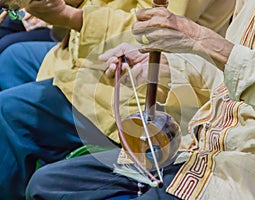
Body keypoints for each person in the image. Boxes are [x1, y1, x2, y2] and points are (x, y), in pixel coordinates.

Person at [26, 0, 255, 199]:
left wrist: (200, 38)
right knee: (48, 184)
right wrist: (162, 66)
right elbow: (223, 77)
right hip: (200, 145)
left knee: (14, 108)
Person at [0, 0, 235, 199]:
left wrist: (68, 16)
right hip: (90, 58)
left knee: (10, 112)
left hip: (137, 90)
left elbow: (155, 32)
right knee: (12, 58)